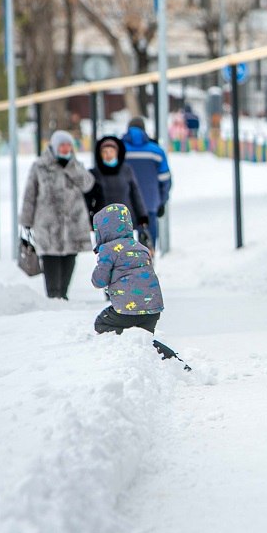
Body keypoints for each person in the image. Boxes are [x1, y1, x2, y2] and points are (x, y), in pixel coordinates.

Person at [90, 204, 180, 362]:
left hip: (126, 309)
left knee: (101, 323)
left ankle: (128, 356)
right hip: (153, 308)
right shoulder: (141, 247)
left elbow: (99, 280)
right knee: (144, 339)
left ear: (102, 230)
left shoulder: (108, 249)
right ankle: (171, 361)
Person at [20, 130, 95, 299]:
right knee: (50, 258)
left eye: (68, 145)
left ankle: (64, 294)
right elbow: (30, 194)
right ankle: (53, 295)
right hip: (48, 224)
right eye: (62, 145)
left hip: (73, 224)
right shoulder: (40, 166)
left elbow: (88, 184)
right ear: (54, 146)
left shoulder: (76, 165)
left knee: (70, 257)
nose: (65, 148)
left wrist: (72, 167)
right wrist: (26, 220)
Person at [85, 135, 150, 246]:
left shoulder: (126, 170)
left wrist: (142, 216)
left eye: (111, 151)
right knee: (106, 257)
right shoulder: (94, 173)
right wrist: (88, 220)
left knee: (125, 255)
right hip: (103, 224)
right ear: (100, 154)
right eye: (105, 152)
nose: (108, 155)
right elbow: (88, 200)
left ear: (117, 153)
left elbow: (135, 194)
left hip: (125, 222)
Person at [122, 117, 172, 249]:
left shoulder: (119, 150)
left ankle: (127, 269)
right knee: (148, 244)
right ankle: (147, 266)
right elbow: (165, 179)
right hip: (150, 202)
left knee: (123, 247)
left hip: (124, 204)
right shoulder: (156, 151)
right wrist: (162, 201)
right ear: (144, 130)